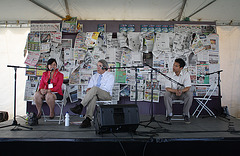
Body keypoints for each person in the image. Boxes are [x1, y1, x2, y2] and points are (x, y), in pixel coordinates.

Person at [70, 59, 115, 128]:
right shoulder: (94, 76)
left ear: (105, 67)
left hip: (106, 95)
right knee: (93, 97)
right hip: (95, 94)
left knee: (94, 89)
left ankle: (81, 106)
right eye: (97, 66)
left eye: (100, 66)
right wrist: (92, 90)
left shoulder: (110, 76)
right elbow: (89, 88)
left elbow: (107, 88)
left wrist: (94, 90)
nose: (97, 68)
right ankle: (88, 120)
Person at [164, 58, 193, 124]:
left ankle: (185, 114)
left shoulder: (186, 74)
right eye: (174, 65)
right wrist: (175, 91)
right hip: (172, 94)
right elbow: (167, 88)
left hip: (182, 94)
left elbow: (188, 87)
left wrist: (181, 91)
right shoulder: (169, 74)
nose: (174, 67)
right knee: (166, 94)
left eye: (176, 66)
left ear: (181, 68)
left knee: (190, 94)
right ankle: (169, 114)